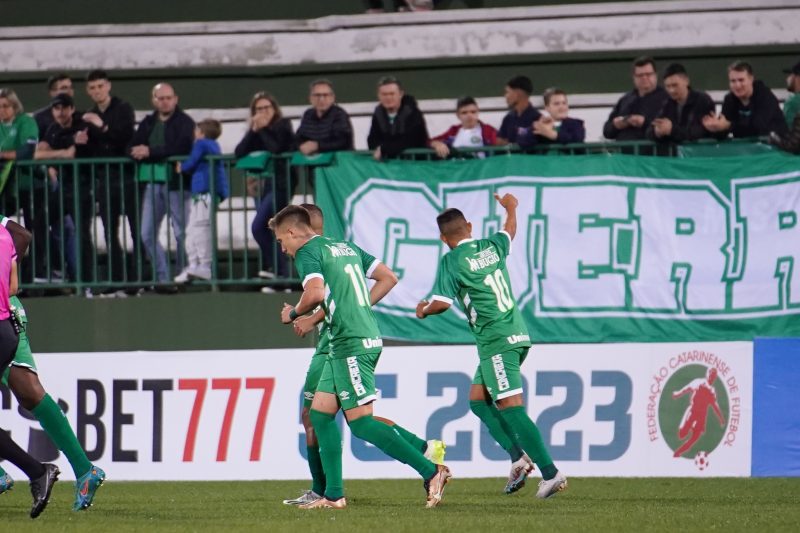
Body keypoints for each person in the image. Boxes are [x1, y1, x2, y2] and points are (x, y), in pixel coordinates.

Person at [272, 205, 451, 509]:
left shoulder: (307, 253)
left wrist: (292, 313)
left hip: (350, 342)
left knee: (362, 424)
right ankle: (334, 495)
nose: (283, 249)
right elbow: (388, 277)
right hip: (351, 338)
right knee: (319, 415)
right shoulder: (344, 246)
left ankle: (430, 470)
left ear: (291, 231)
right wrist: (357, 307)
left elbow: (314, 294)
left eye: (280, 241)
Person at [415, 193, 567, 499]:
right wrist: (511, 206)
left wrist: (423, 309)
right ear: (469, 226)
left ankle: (551, 474)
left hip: (496, 339)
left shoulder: (452, 260)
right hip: (516, 333)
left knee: (511, 408)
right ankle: (517, 458)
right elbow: (509, 230)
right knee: (477, 401)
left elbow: (442, 303)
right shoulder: (491, 245)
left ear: (444, 239)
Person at [0, 214, 105, 511]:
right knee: (29, 392)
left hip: (3, 315)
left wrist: (6, 272)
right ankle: (84, 470)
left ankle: (83, 470)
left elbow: (23, 235)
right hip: (6, 315)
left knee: (30, 391)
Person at [0, 218, 59, 519]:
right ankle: (37, 472)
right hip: (6, 330)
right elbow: (13, 287)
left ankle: (37, 472)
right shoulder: (6, 237)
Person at [130, 82, 195, 288]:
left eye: (168, 97)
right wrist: (138, 150)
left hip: (177, 184)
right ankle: (163, 277)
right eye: (160, 98)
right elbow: (133, 145)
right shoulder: (148, 121)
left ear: (175, 99)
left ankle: (182, 276)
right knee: (146, 233)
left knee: (181, 232)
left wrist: (150, 151)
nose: (165, 102)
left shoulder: (185, 121)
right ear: (154, 100)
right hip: (151, 183)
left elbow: (181, 146)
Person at [83, 69, 138, 292]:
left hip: (126, 176)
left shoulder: (123, 109)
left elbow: (124, 136)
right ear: (88, 91)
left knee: (135, 228)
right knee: (109, 231)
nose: (97, 91)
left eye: (100, 86)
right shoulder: (88, 115)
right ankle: (116, 280)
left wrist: (101, 126)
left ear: (108, 86)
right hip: (104, 179)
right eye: (93, 88)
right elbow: (91, 148)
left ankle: (137, 280)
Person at [34, 93, 95, 284]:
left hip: (82, 186)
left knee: (83, 233)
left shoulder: (82, 124)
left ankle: (87, 281)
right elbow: (37, 154)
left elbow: (76, 152)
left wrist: (53, 155)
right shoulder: (52, 128)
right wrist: (61, 152)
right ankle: (55, 269)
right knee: (39, 223)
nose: (60, 112)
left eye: (64, 107)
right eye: (56, 108)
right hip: (63, 187)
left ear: (72, 109)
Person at [234, 92, 295, 281]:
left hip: (280, 183)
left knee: (259, 226)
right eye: (258, 109)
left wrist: (262, 129)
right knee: (271, 229)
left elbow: (276, 148)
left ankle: (282, 273)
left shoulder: (283, 125)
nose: (263, 112)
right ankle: (276, 273)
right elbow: (239, 152)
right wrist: (253, 131)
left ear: (274, 109)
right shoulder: (255, 129)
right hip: (260, 184)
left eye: (266, 108)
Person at [174, 119, 229, 283]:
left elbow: (192, 161)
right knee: (192, 230)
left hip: (205, 193)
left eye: (196, 131)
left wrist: (182, 167)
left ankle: (204, 266)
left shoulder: (202, 144)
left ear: (201, 133)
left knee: (201, 228)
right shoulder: (212, 146)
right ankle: (193, 265)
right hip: (201, 194)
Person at [0, 88, 43, 283]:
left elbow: (26, 151)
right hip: (5, 188)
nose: (2, 111)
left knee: (33, 230)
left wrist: (4, 155)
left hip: (29, 185)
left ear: (15, 106)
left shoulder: (26, 121)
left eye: (5, 106)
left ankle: (37, 274)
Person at [702, 60, 788, 139]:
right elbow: (724, 131)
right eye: (733, 81)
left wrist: (729, 126)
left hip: (775, 149)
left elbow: (758, 129)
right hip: (746, 149)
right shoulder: (729, 100)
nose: (737, 85)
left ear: (751, 79)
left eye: (741, 80)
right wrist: (716, 128)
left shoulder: (765, 97)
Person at [603, 56, 669, 142]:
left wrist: (644, 123)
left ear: (655, 75)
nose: (644, 78)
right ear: (634, 77)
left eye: (648, 74)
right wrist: (616, 125)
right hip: (624, 153)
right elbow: (606, 131)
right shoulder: (625, 99)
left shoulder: (666, 98)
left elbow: (669, 128)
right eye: (640, 75)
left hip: (653, 153)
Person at [647, 63, 715, 144]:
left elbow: (702, 131)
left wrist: (672, 130)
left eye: (675, 85)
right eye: (668, 86)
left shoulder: (702, 100)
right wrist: (657, 132)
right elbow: (650, 131)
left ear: (686, 81)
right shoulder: (666, 104)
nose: (671, 90)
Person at [366, 76, 429, 160]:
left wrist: (384, 149)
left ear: (401, 94)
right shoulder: (378, 114)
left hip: (414, 164)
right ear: (378, 96)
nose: (388, 98)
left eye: (392, 94)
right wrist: (382, 149)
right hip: (387, 167)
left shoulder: (413, 113)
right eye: (384, 94)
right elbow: (372, 140)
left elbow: (411, 140)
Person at [295, 79, 354, 157]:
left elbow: (342, 141)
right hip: (313, 163)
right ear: (310, 98)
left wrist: (317, 145)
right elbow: (299, 137)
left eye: (325, 95)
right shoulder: (308, 114)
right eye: (317, 95)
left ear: (333, 98)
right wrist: (301, 146)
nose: (321, 99)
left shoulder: (339, 114)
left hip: (338, 163)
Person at [430, 96, 498, 159]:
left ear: (478, 112)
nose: (469, 115)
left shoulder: (489, 130)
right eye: (464, 113)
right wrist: (437, 144)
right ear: (457, 115)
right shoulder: (453, 131)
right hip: (458, 170)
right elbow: (430, 141)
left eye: (473, 112)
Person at [497, 75, 541, 147]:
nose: (505, 96)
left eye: (507, 92)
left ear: (518, 93)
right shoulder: (508, 118)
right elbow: (499, 141)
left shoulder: (537, 118)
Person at [32, 73, 73, 141]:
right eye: (64, 88)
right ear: (52, 92)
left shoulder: (77, 115)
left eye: (71, 87)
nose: (69, 91)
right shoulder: (39, 117)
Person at [782, 60, 800, 128]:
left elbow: (785, 131)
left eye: (790, 74)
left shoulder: (792, 102)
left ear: (798, 78)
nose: (787, 79)